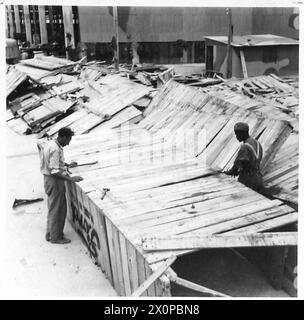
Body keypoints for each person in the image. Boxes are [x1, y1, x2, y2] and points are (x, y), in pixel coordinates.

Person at [37, 127, 83, 244]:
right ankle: (56, 237)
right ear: (63, 137)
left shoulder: (51, 143)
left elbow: (52, 162)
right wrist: (70, 179)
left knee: (53, 208)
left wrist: (65, 164)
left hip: (48, 180)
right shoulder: (55, 149)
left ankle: (50, 233)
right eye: (68, 140)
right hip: (54, 181)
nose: (68, 143)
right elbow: (54, 171)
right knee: (58, 210)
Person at [224, 122, 263, 191]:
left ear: (243, 133)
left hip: (248, 180)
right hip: (258, 178)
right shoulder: (257, 143)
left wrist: (227, 173)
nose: (236, 136)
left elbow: (235, 168)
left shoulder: (244, 147)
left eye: (237, 134)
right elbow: (250, 163)